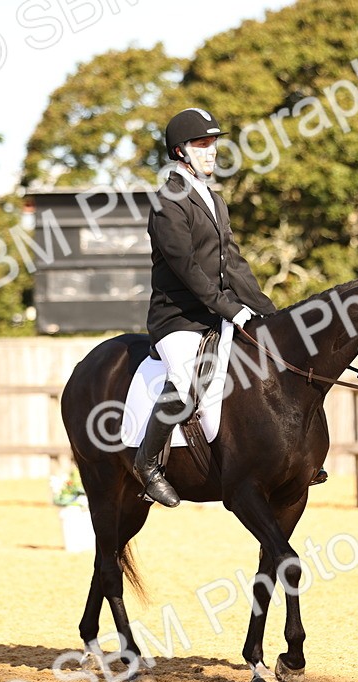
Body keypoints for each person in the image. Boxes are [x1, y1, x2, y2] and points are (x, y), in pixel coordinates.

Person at [136, 107, 277, 507]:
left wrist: (270, 313)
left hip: (215, 314)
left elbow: (233, 264)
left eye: (213, 143)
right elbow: (188, 270)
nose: (212, 151)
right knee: (183, 380)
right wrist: (231, 309)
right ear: (180, 151)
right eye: (202, 144)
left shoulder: (214, 200)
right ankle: (148, 465)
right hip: (177, 318)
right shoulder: (168, 202)